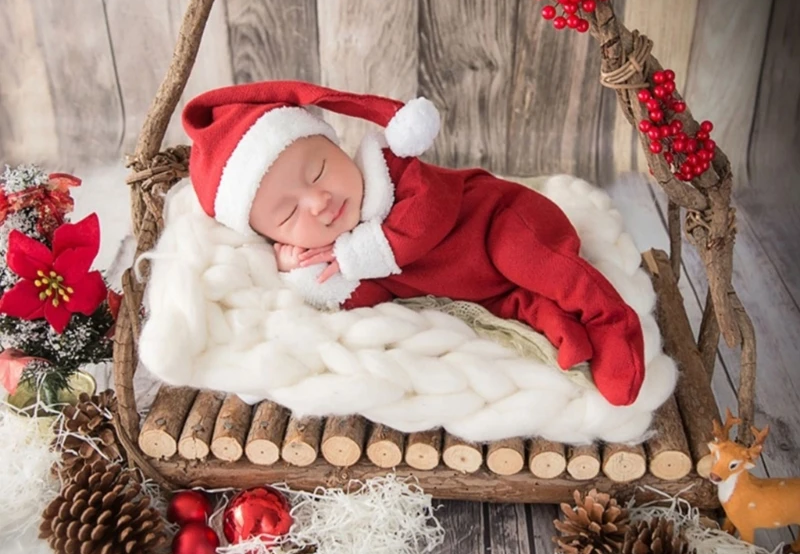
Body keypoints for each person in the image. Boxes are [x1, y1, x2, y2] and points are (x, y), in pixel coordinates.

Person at [182, 80, 645, 407]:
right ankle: (567, 332)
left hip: (502, 221)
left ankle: (610, 319)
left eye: (319, 170)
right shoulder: (340, 255)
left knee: (532, 263)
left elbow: (426, 222)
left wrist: (351, 253)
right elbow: (367, 298)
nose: (319, 201)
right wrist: (299, 274)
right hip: (488, 288)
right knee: (520, 306)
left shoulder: (393, 170)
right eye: (288, 214)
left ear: (338, 148)